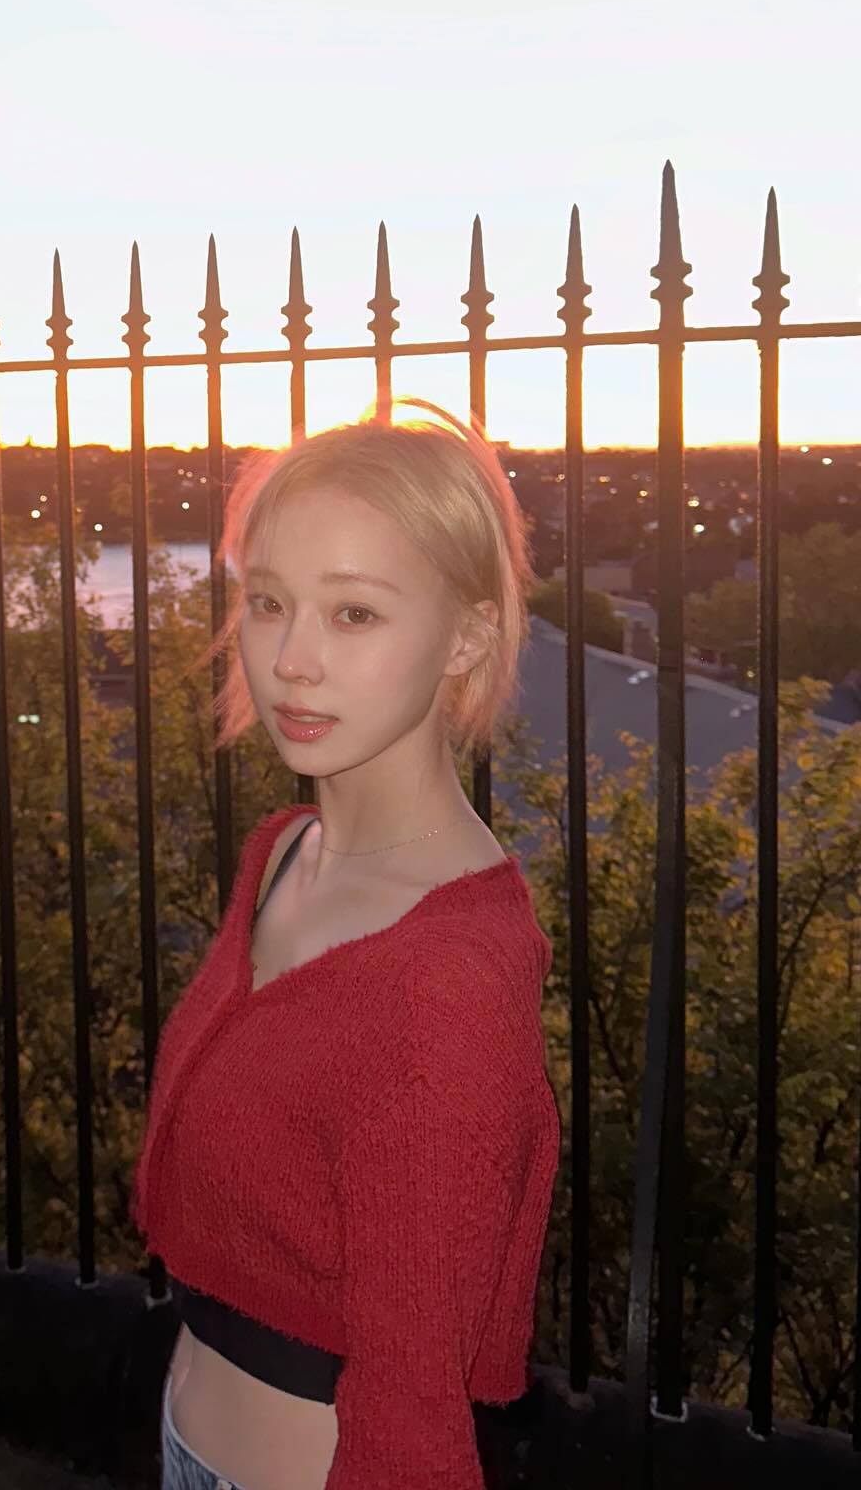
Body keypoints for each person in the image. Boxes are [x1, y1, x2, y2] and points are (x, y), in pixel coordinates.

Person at [128, 398, 560, 1490]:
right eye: (269, 602)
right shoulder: (283, 853)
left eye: (354, 613)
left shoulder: (446, 977)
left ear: (467, 636)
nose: (291, 660)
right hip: (190, 1437)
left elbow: (414, 1399)